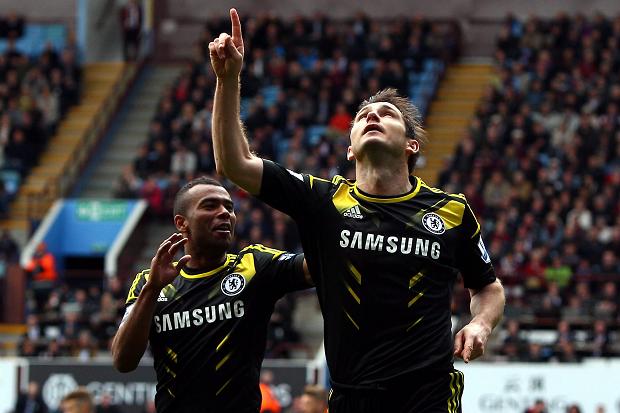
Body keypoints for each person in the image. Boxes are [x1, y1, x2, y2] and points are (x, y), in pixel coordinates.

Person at [209, 9, 505, 413]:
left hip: (428, 394)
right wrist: (228, 81)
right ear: (349, 147)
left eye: (387, 115)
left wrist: (480, 323)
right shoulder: (322, 201)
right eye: (363, 115)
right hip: (352, 396)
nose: (372, 116)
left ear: (410, 146)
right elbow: (234, 164)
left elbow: (487, 287)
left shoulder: (451, 211)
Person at [111, 177, 312, 412]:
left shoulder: (254, 266)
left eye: (229, 207)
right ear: (181, 223)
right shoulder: (149, 283)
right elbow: (123, 361)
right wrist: (152, 291)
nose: (225, 213)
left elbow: (319, 267)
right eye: (210, 206)